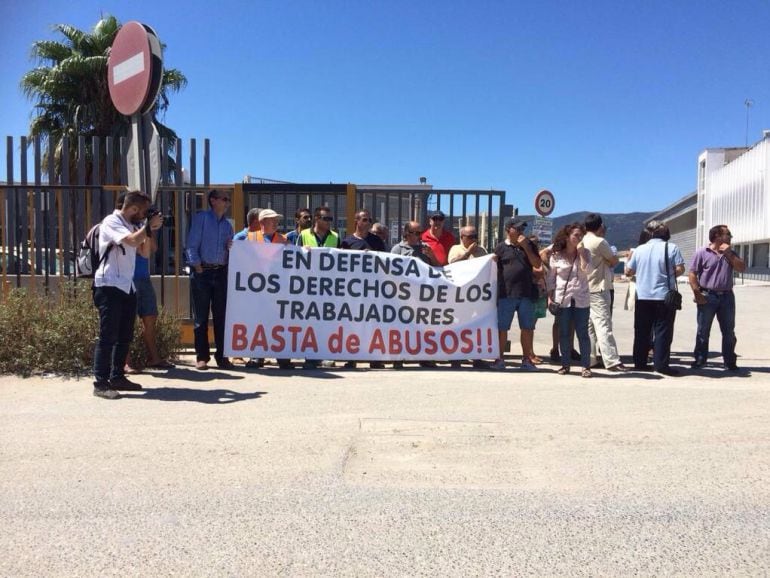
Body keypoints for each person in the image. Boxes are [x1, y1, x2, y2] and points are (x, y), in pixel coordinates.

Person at [92, 190, 162, 399]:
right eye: (143, 212)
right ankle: (101, 383)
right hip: (109, 285)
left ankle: (117, 376)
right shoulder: (111, 222)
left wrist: (147, 230)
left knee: (124, 335)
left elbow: (144, 253)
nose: (145, 215)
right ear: (133, 208)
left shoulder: (133, 225)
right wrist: (146, 227)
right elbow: (131, 242)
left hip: (127, 286)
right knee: (107, 336)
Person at [625, 221, 685, 376]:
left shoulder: (639, 249)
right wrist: (668, 273)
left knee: (641, 331)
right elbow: (680, 269)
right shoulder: (671, 248)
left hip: (643, 295)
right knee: (663, 332)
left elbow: (629, 271)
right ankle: (661, 365)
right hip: (663, 296)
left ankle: (639, 362)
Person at [185, 189, 235, 371]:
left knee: (221, 317)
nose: (228, 202)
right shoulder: (202, 219)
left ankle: (222, 357)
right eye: (225, 199)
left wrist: (232, 247)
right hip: (203, 272)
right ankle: (202, 357)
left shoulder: (228, 226)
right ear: (213, 200)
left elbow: (231, 249)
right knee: (201, 317)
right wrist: (197, 266)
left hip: (221, 272)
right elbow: (191, 244)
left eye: (228, 200)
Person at [688, 224, 746, 370]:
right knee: (703, 330)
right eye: (728, 234)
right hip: (708, 295)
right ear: (717, 236)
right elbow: (692, 273)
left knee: (728, 331)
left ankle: (729, 361)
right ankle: (700, 359)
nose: (731, 237)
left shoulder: (731, 253)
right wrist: (697, 292)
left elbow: (742, 268)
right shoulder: (702, 252)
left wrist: (729, 254)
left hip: (727, 297)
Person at [493, 219, 542, 371]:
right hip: (506, 294)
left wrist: (526, 247)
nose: (521, 231)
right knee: (502, 328)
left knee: (526, 328)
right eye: (518, 228)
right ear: (509, 230)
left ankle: (526, 359)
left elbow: (537, 264)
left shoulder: (529, 245)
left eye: (522, 229)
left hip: (526, 293)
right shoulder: (501, 247)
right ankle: (499, 359)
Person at [391, 222, 439, 368]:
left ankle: (424, 357)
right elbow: (390, 270)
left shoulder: (425, 248)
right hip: (403, 296)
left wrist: (431, 255)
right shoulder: (397, 249)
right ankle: (398, 358)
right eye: (416, 233)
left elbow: (438, 267)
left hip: (422, 296)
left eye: (420, 232)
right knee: (401, 326)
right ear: (407, 233)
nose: (419, 236)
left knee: (422, 326)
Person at [547, 223, 592, 377]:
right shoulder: (556, 255)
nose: (579, 238)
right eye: (576, 235)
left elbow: (587, 270)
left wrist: (581, 253)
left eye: (581, 236)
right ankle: (565, 364)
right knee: (564, 332)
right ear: (568, 236)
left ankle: (586, 366)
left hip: (581, 298)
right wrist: (549, 297)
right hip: (562, 298)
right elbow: (551, 278)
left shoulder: (586, 253)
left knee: (582, 333)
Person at [342, 210, 386, 369]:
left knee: (373, 324)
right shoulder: (347, 242)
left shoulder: (377, 241)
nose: (368, 223)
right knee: (353, 324)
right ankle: (351, 358)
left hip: (373, 290)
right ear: (357, 221)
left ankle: (375, 358)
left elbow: (385, 262)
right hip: (354, 291)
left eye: (369, 220)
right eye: (365, 220)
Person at [583, 213, 626, 372]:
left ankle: (591, 357)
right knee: (603, 324)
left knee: (589, 326)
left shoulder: (582, 241)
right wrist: (608, 260)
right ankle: (611, 360)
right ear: (600, 226)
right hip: (599, 286)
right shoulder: (599, 241)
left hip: (585, 287)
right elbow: (614, 260)